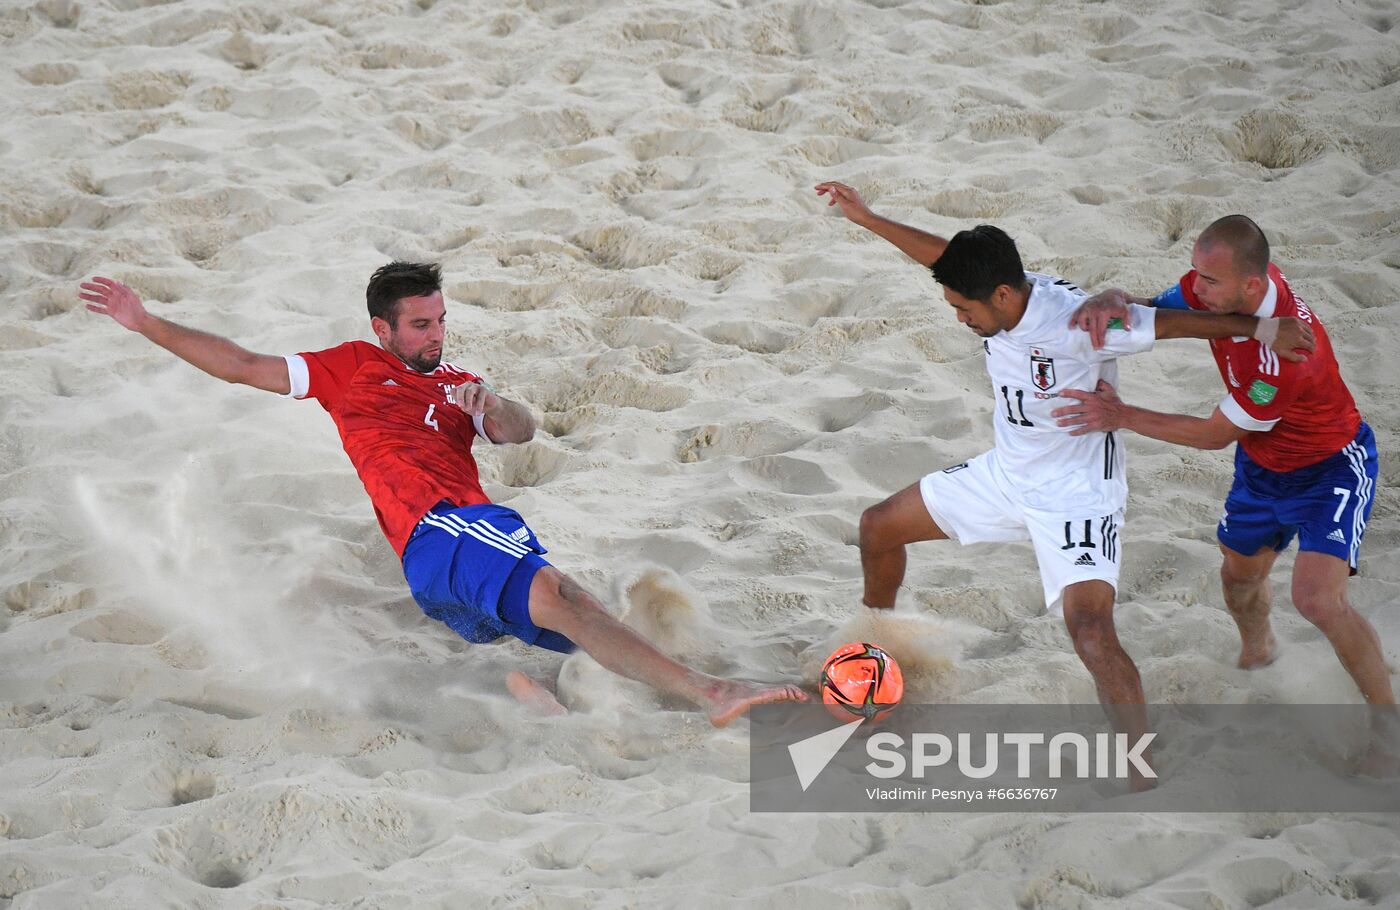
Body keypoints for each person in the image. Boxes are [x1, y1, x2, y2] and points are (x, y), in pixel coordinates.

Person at [79, 263, 805, 726]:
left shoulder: (455, 378)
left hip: (452, 558)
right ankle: (714, 693)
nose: (435, 333)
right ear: (381, 328)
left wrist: (487, 401)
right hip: (443, 532)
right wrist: (144, 322)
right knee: (567, 601)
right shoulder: (350, 368)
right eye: (420, 324)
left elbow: (520, 433)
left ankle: (538, 698)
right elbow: (240, 364)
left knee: (590, 620)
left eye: (440, 319)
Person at [813, 185, 1309, 789]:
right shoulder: (1001, 286)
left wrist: (1259, 330)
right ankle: (878, 650)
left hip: (1077, 496)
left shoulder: (1081, 323)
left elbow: (1173, 323)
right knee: (878, 527)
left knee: (1093, 635)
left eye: (964, 309)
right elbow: (944, 254)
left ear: (1000, 295)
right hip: (1005, 474)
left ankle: (1140, 772)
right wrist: (866, 219)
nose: (960, 318)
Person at [1053, 215, 1396, 770]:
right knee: (1238, 578)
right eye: (1196, 275)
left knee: (1316, 600)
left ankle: (1387, 725)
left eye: (1208, 282)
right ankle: (1259, 648)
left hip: (1330, 468)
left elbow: (1214, 436)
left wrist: (1121, 415)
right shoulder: (1222, 287)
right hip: (1262, 469)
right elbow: (1169, 314)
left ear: (1252, 287)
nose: (1196, 288)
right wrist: (1119, 301)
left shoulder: (1285, 358)